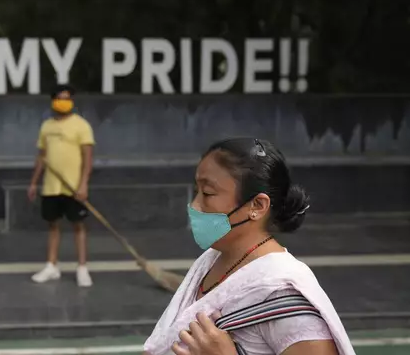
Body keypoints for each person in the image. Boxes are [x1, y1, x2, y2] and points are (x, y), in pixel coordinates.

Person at [144, 138, 355, 355]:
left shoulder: (280, 293)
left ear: (257, 206)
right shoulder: (212, 259)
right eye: (197, 190)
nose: (194, 205)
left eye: (207, 193)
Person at [28, 84, 95, 287]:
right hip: (51, 186)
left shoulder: (81, 125)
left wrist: (83, 184)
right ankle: (51, 266)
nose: (63, 102)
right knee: (53, 225)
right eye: (60, 98)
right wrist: (33, 183)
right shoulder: (46, 126)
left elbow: (88, 158)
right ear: (53, 101)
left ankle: (82, 268)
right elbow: (41, 157)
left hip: (73, 187)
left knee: (78, 226)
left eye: (67, 98)